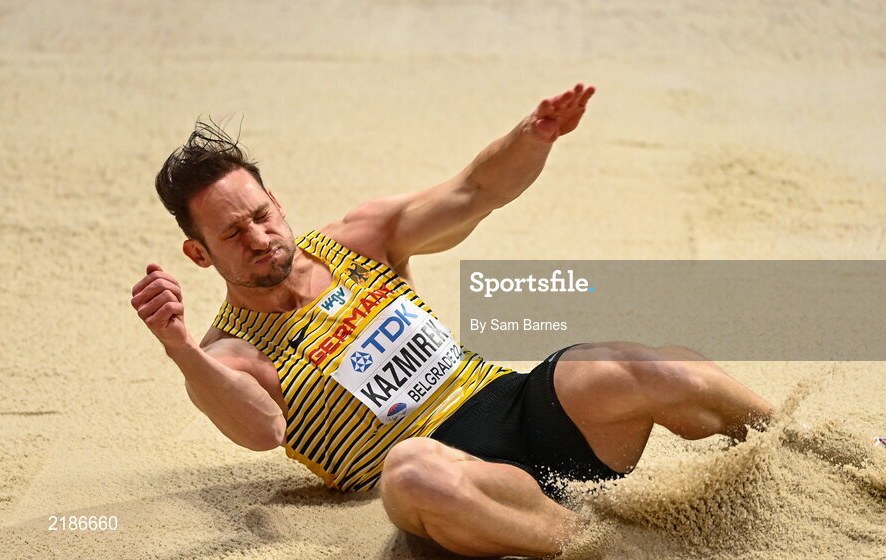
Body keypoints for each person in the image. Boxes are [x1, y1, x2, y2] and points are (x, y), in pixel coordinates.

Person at [131, 83, 774, 558]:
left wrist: (534, 135)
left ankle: (797, 448)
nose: (260, 237)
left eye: (261, 215)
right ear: (199, 254)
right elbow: (263, 429)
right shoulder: (229, 353)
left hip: (514, 407)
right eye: (233, 233)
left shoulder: (358, 242)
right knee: (411, 467)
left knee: (628, 364)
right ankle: (604, 547)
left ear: (276, 201)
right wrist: (180, 347)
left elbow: (474, 190)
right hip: (451, 485)